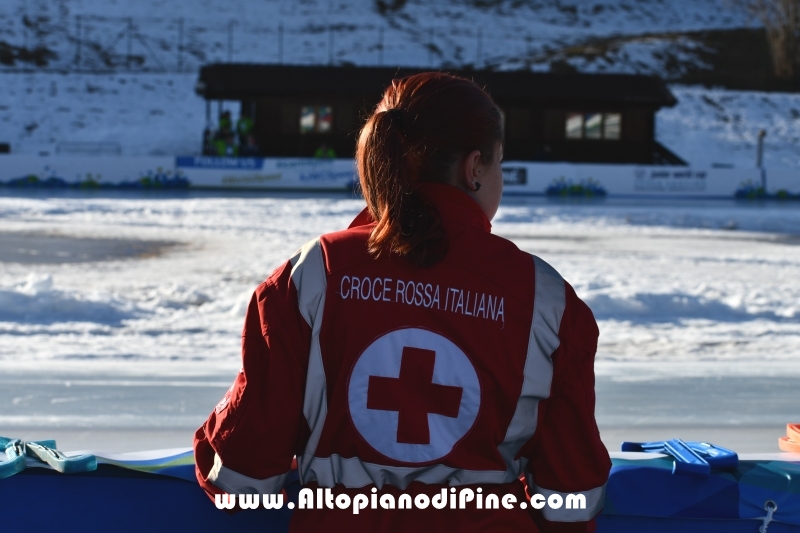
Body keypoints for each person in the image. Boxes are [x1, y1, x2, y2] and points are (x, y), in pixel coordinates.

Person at [194, 72, 610, 532]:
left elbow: (243, 479)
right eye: (499, 165)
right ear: (474, 168)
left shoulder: (313, 276)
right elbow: (571, 498)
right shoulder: (546, 301)